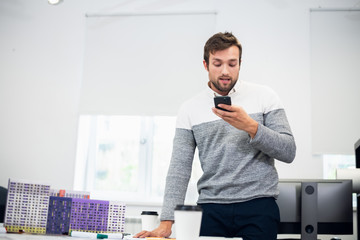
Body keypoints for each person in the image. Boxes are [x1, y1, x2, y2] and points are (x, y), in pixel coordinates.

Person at [134, 32, 296, 240]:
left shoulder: (265, 97)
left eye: (232, 63)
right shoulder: (189, 109)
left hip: (259, 206)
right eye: (217, 64)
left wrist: (251, 126)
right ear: (205, 65)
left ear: (240, 63)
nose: (225, 71)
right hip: (210, 209)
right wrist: (166, 223)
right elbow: (179, 168)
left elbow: (288, 150)